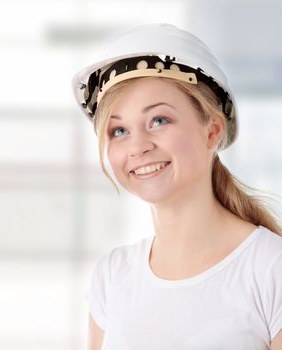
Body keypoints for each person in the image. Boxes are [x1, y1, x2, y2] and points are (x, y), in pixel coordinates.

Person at [71, 23, 282, 350]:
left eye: (158, 120)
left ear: (212, 131)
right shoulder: (112, 277)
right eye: (119, 131)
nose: (137, 146)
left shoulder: (270, 269)